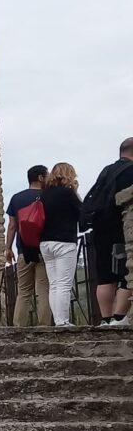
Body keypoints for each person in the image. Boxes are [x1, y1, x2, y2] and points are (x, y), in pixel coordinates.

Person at [83, 137, 133, 327]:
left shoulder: (107, 171)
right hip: (120, 227)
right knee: (127, 272)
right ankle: (120, 318)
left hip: (100, 227)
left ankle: (105, 320)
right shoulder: (130, 171)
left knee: (105, 276)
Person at [5, 165, 50, 326]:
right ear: (40, 178)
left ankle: (19, 327)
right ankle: (44, 325)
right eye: (47, 175)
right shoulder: (48, 196)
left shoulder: (17, 198)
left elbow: (12, 226)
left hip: (24, 249)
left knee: (24, 291)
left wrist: (8, 248)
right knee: (43, 289)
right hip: (45, 249)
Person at [39, 163, 83, 327]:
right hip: (64, 241)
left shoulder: (44, 195)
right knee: (64, 283)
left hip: (45, 243)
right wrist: (76, 192)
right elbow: (82, 212)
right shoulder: (68, 193)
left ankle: (58, 320)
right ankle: (62, 321)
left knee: (55, 284)